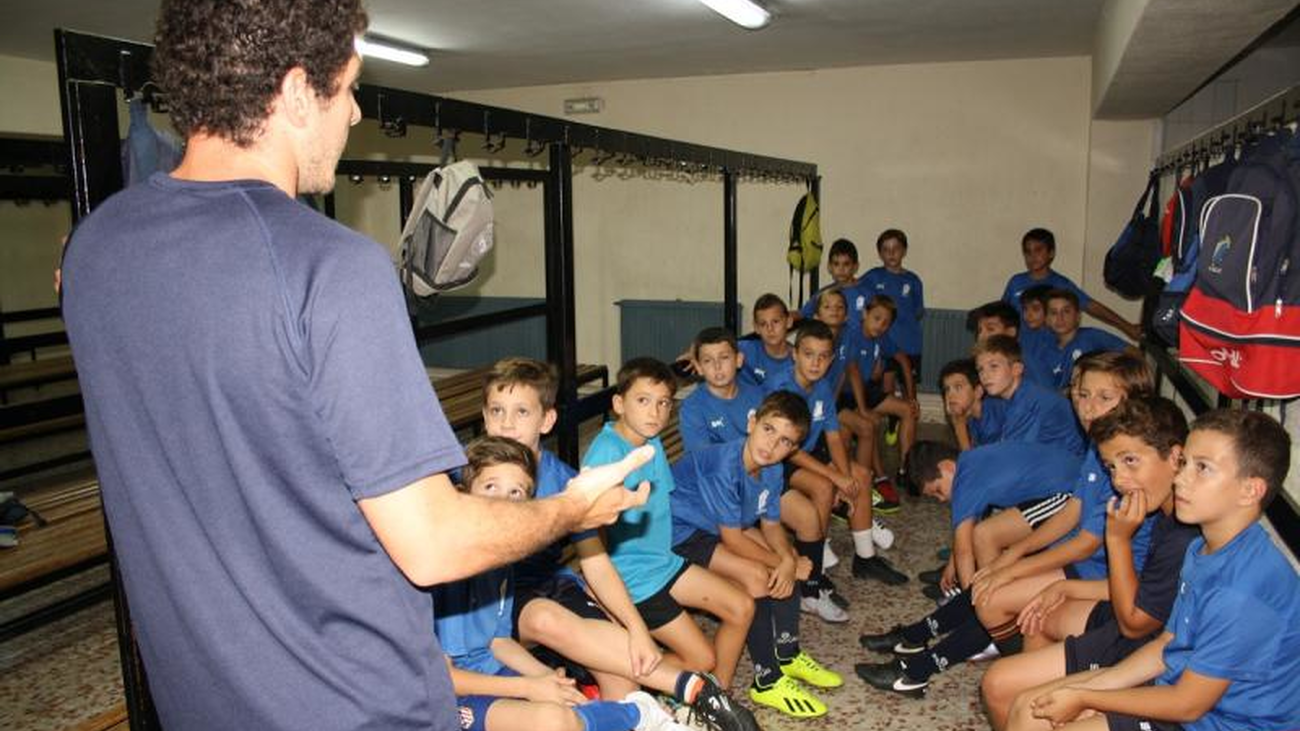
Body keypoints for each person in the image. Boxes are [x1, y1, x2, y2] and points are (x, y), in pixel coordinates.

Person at [59, 3, 649, 727]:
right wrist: (571, 506)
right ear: (300, 91)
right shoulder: (331, 267)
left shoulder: (93, 249)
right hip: (353, 704)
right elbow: (433, 543)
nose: (358, 109)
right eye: (349, 87)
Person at [481, 358, 756, 731]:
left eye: (521, 411)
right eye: (497, 411)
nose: (507, 423)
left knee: (624, 676)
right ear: (484, 416)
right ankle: (694, 690)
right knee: (549, 618)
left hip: (553, 583)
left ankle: (647, 705)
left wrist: (635, 629)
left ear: (546, 421)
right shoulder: (467, 474)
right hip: (495, 600)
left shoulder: (566, 482)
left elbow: (594, 561)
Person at [1005, 409, 1300, 731]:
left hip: (1221, 722)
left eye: (1203, 468)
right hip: (1183, 693)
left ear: (1250, 490)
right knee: (1028, 708)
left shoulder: (1242, 590)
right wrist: (1082, 691)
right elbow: (1166, 645)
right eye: (1185, 463)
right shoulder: (1201, 548)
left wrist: (1088, 699)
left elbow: (1187, 705)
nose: (1181, 478)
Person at [437, 436, 693, 731]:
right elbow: (444, 678)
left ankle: (643, 710)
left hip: (488, 671)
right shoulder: (443, 568)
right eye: (490, 487)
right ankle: (639, 715)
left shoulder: (499, 565)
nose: (502, 502)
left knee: (567, 703)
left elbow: (498, 641)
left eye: (515, 493)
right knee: (553, 720)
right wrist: (528, 688)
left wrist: (545, 679)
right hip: (443, 692)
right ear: (462, 495)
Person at [981, 396, 1197, 730]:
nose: (1120, 480)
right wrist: (1065, 586)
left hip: (1148, 645)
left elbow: (1135, 623)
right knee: (1040, 618)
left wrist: (1118, 539)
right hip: (1144, 630)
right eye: (1112, 467)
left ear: (1175, 456)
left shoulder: (1185, 531)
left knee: (1008, 691)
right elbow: (1147, 593)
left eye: (1130, 461)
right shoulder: (1168, 513)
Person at [855, 440, 1082, 697]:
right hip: (1067, 493)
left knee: (987, 570)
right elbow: (968, 534)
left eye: (938, 491)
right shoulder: (973, 462)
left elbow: (965, 549)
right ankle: (915, 638)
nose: (942, 499)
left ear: (947, 467)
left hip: (1070, 495)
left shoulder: (965, 478)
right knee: (987, 546)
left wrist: (978, 600)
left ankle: (916, 663)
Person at [582, 358, 756, 690]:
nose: (655, 412)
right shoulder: (607, 454)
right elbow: (591, 531)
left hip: (662, 561)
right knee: (700, 658)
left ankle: (716, 695)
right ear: (619, 404)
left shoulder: (651, 440)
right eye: (643, 401)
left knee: (741, 606)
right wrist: (606, 599)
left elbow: (665, 506)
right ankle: (615, 676)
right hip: (631, 578)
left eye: (663, 403)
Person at [671, 391, 841, 718]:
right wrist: (784, 564)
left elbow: (772, 524)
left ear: (793, 449)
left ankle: (788, 653)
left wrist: (787, 559)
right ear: (752, 422)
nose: (772, 445)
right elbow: (733, 541)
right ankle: (766, 679)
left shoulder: (772, 469)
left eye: (784, 441)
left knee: (783, 556)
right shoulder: (725, 464)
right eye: (768, 430)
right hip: (680, 532)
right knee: (758, 576)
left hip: (714, 525)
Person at [763, 321, 907, 592]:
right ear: (795, 354)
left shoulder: (823, 388)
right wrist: (835, 477)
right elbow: (787, 448)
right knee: (824, 486)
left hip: (811, 451)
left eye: (823, 356)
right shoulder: (781, 388)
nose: (815, 363)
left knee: (861, 476)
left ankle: (865, 558)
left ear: (831, 359)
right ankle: (813, 567)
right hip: (779, 459)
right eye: (808, 354)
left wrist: (846, 476)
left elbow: (833, 437)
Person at [840, 295, 919, 496]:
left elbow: (903, 360)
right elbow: (853, 372)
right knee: (868, 423)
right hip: (844, 393)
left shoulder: (881, 337)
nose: (880, 325)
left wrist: (912, 397)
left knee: (908, 410)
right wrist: (863, 409)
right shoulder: (853, 334)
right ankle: (870, 478)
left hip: (865, 390)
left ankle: (906, 469)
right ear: (865, 314)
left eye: (886, 323)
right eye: (876, 318)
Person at [1001, 227, 1140, 340]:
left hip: (1051, 351)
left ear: (1051, 253)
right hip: (1019, 351)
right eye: (1028, 252)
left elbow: (1092, 306)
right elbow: (1001, 315)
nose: (1032, 257)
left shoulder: (1061, 284)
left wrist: (1127, 327)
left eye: (1038, 250)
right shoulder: (1016, 282)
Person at [973, 335, 1085, 455]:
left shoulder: (1028, 403)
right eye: (980, 369)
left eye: (993, 366)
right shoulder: (1016, 397)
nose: (985, 375)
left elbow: (1010, 456)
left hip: (1067, 469)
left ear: (1017, 369)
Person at [859, 228, 925, 393]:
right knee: (885, 384)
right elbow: (857, 293)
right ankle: (891, 418)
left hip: (910, 344)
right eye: (886, 250)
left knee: (909, 385)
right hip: (883, 343)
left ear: (904, 251)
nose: (891, 253)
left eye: (896, 248)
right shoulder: (873, 277)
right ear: (880, 254)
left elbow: (918, 311)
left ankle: (910, 412)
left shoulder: (913, 280)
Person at [680, 328, 764, 453]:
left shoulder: (759, 396)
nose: (717, 366)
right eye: (708, 360)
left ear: (738, 360)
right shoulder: (692, 408)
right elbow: (702, 459)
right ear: (699, 367)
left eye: (724, 357)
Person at [1044, 289, 1131, 391]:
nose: (1060, 318)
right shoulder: (1044, 349)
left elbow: (1134, 353)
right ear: (1047, 319)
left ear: (1078, 316)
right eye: (1054, 313)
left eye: (1066, 311)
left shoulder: (1092, 337)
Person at [940, 358, 1005, 452]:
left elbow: (974, 464)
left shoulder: (992, 418)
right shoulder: (972, 418)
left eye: (958, 387)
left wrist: (959, 427)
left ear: (978, 392)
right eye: (947, 389)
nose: (950, 395)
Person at [796, 238, 864, 322]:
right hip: (829, 335)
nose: (841, 269)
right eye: (836, 264)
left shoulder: (867, 292)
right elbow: (801, 314)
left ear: (855, 267)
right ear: (829, 267)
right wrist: (782, 316)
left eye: (846, 264)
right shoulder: (823, 294)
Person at [737, 294, 794, 388]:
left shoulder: (800, 360)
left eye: (775, 322)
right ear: (756, 328)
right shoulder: (743, 349)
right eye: (763, 324)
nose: (770, 329)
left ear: (789, 322)